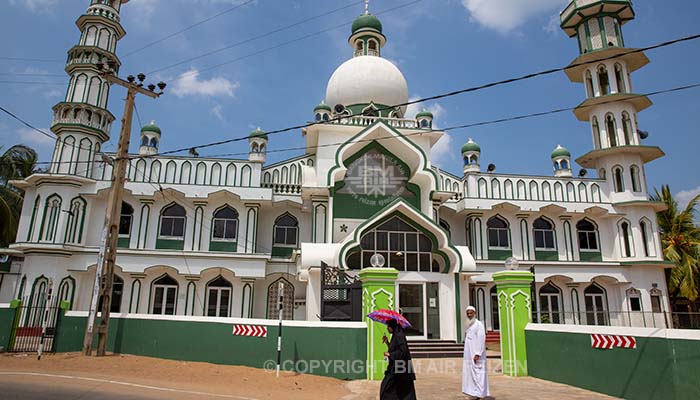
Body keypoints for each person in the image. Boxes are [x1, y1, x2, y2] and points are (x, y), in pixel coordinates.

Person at [380, 318, 417, 400]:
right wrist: (387, 342)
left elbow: (403, 351)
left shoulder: (399, 335)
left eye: (388, 326)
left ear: (392, 326)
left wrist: (390, 354)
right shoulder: (396, 335)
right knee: (402, 391)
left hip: (401, 369)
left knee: (388, 388)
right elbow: (395, 348)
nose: (387, 328)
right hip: (398, 369)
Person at [462, 306, 489, 399]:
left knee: (479, 374)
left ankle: (481, 394)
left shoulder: (479, 325)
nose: (469, 315)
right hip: (469, 355)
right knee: (472, 374)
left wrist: (478, 353)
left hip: (477, 355)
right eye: (468, 313)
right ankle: (475, 393)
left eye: (471, 313)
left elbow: (481, 339)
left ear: (475, 313)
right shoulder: (470, 325)